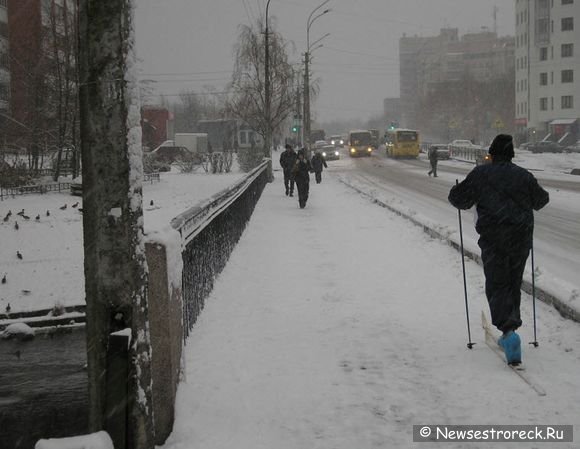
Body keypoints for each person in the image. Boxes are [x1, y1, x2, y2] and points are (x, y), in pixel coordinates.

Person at [448, 134, 549, 366]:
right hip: (520, 239)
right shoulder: (523, 176)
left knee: (497, 282)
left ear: (492, 155)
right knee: (513, 282)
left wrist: (460, 192)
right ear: (511, 155)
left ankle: (508, 330)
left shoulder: (481, 174)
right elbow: (541, 200)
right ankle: (511, 324)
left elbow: (458, 200)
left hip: (494, 238)